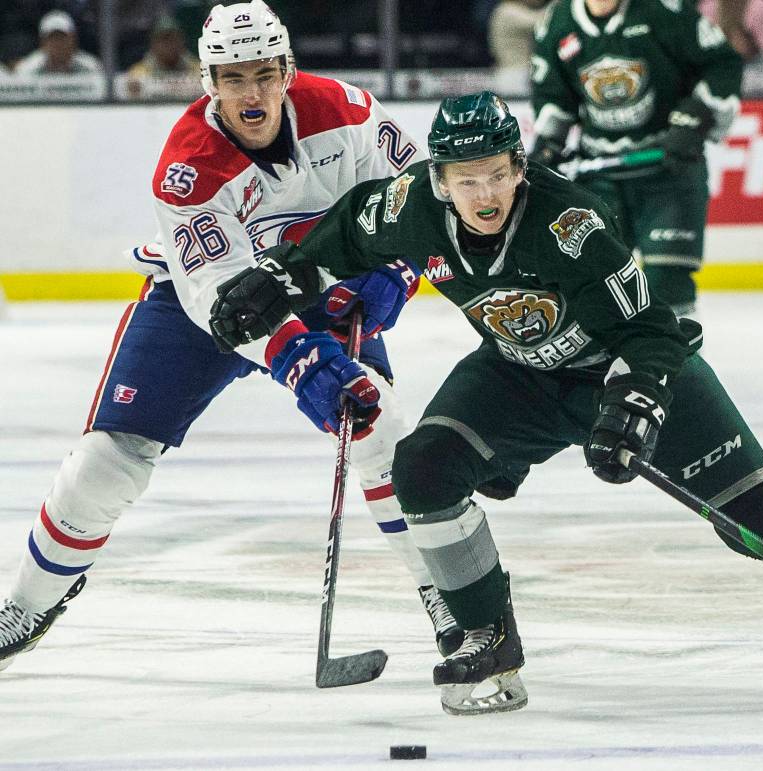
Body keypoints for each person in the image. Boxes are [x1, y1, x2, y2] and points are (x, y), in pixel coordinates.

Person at [206, 91, 763, 716]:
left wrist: (632, 407)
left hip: (623, 368)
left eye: (496, 175)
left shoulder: (572, 226)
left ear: (518, 168)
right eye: (466, 180)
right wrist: (280, 274)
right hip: (519, 376)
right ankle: (487, 640)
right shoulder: (409, 209)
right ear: (439, 180)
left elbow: (655, 333)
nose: (484, 194)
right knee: (424, 467)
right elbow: (344, 231)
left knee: (753, 512)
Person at [0, 0, 462, 674]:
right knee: (107, 460)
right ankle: (28, 604)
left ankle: (447, 595)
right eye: (233, 77)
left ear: (287, 70)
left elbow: (422, 201)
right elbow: (226, 301)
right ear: (208, 82)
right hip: (203, 307)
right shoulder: (188, 168)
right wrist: (304, 362)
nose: (253, 93)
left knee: (379, 422)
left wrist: (398, 267)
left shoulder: (351, 113)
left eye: (265, 75)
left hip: (324, 284)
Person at [529, 0, 742, 318]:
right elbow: (552, 95)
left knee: (667, 282)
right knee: (598, 282)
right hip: (599, 179)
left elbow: (721, 63)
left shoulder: (662, 10)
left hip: (668, 171)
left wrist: (695, 115)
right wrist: (548, 145)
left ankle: (680, 366)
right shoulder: (557, 23)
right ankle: (607, 365)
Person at [126, 14, 203, 100]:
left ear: (182, 41)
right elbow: (133, 86)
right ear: (153, 44)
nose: (169, 44)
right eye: (164, 40)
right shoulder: (140, 71)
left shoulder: (197, 67)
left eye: (173, 39)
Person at [13, 10, 101, 75]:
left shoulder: (91, 68)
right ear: (42, 43)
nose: (58, 43)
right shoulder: (28, 69)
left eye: (62, 37)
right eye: (52, 38)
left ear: (73, 40)